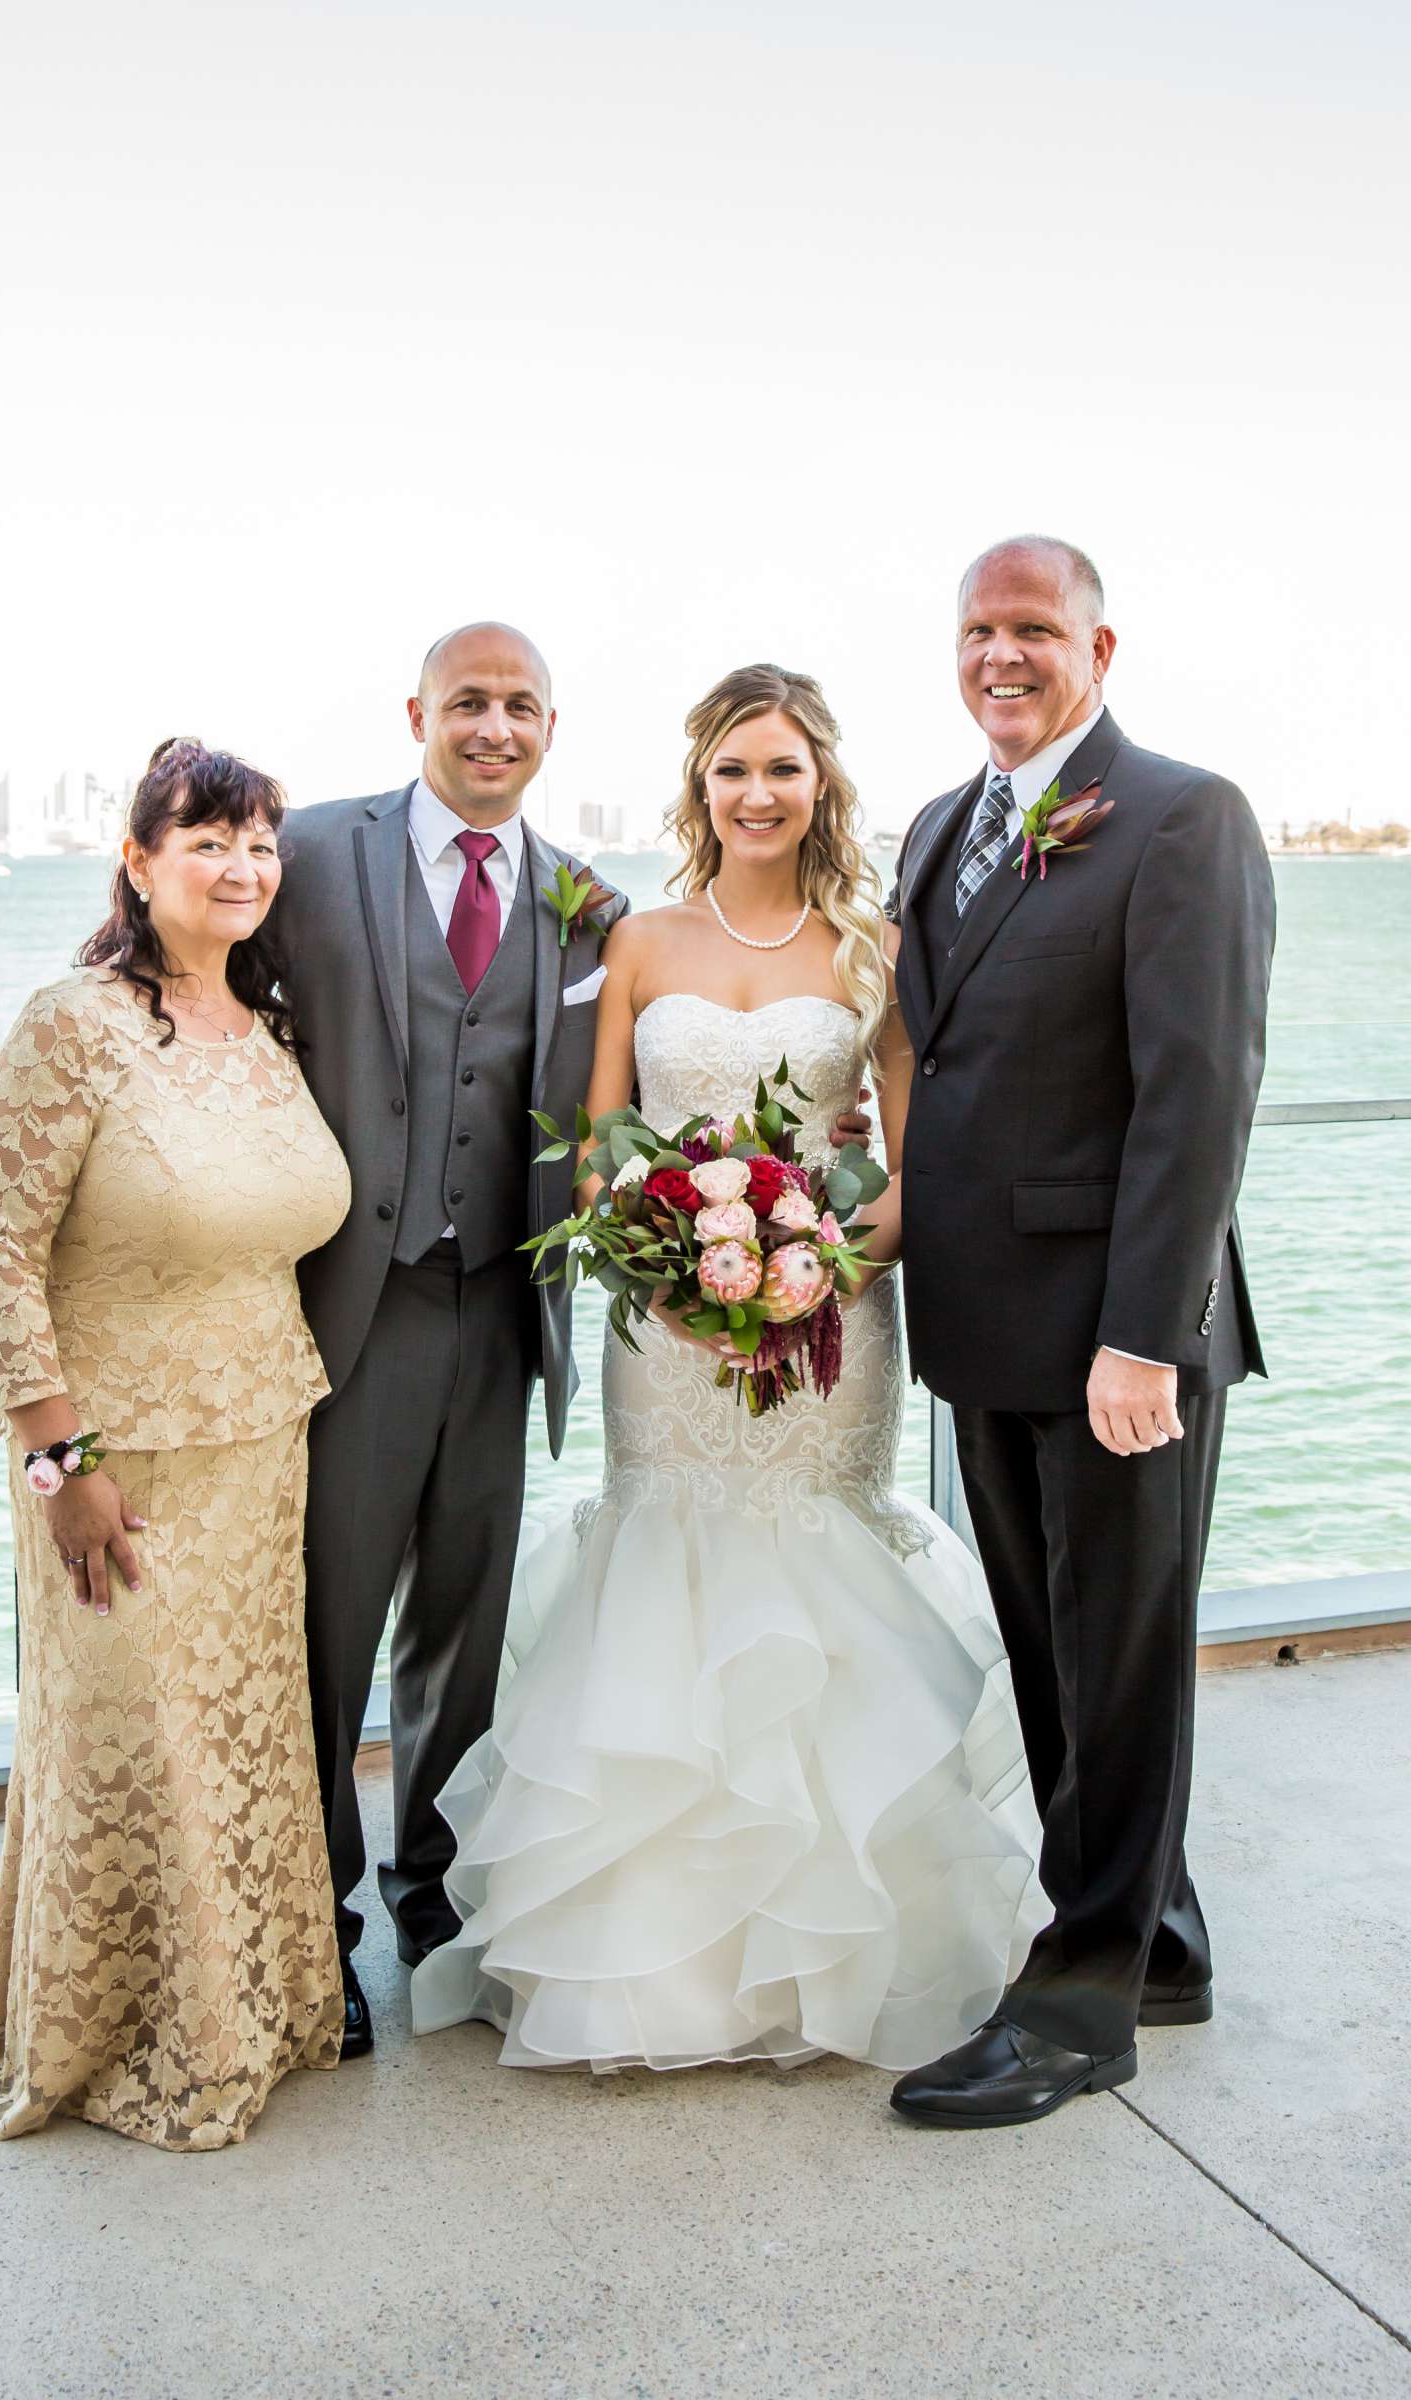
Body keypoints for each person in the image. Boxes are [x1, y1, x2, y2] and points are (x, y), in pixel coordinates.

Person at [410, 663, 1045, 2072]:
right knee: (672, 1572)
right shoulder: (638, 941)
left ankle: (846, 1951)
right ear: (698, 785)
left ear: (822, 787)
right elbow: (588, 1147)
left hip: (828, 1331)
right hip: (669, 1346)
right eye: (733, 770)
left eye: (783, 770)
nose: (757, 794)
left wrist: (824, 1264)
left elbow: (905, 1154)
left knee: (818, 1580)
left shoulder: (870, 943)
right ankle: (656, 1964)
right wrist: (664, 1268)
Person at [886, 537, 1276, 2130]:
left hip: (1120, 1332)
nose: (1001, 655)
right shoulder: (935, 826)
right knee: (1054, 1657)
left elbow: (1199, 1095)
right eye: (977, 629)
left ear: (1098, 648)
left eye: (1032, 628)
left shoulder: (1187, 817)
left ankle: (1077, 2010)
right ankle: (1157, 1943)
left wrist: (1145, 1338)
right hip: (981, 1318)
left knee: (1119, 1665)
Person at [0, 738, 351, 2150]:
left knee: (239, 1746)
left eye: (258, 846)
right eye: (206, 843)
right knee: (133, 1744)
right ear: (139, 861)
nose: (239, 870)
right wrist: (58, 1459)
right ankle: (115, 2031)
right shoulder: (75, 1024)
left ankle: (254, 2010)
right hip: (115, 1456)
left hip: (262, 1441)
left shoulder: (273, 1030)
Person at [272, 624, 628, 2055]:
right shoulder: (304, 852)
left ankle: (438, 1892)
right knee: (327, 1628)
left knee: (464, 1627)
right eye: (468, 702)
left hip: (505, 1304)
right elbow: (156, 968)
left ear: (553, 727)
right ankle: (315, 1930)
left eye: (521, 706)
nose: (494, 726)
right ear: (415, 712)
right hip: (352, 1306)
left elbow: (637, 1074)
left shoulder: (584, 900)